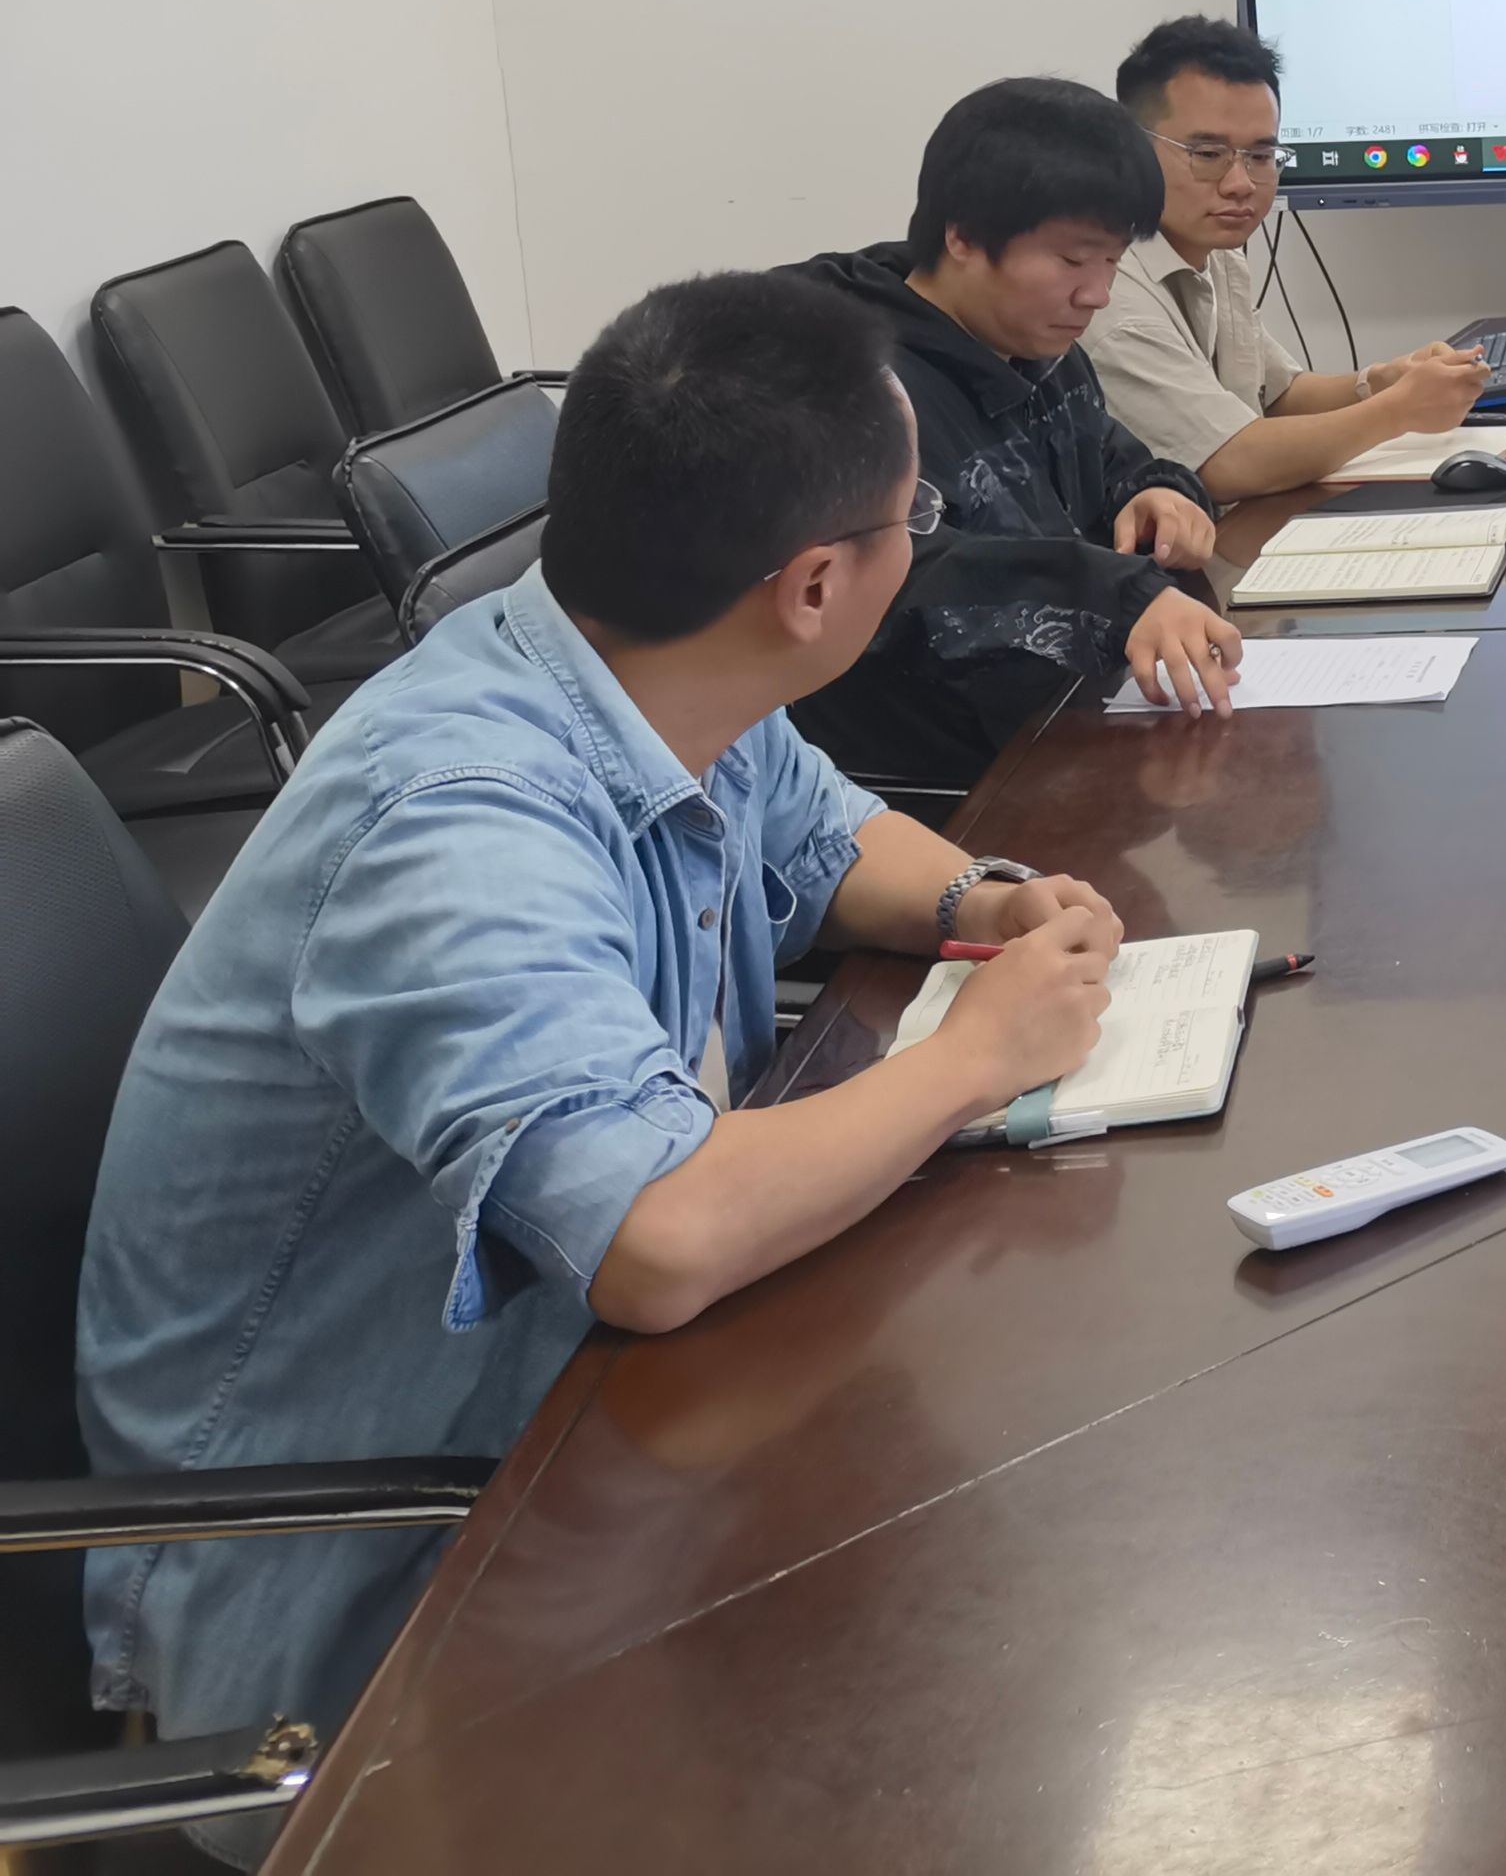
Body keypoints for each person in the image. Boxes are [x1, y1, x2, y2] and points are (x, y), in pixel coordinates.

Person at [78, 273, 1127, 1794]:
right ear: (813, 587)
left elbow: (823, 829)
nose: (922, 540)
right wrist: (975, 1058)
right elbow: (656, 1239)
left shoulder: (631, 660)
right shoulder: (458, 823)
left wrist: (985, 900)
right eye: (914, 517)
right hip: (367, 1595)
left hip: (582, 1427)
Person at [786, 77, 1243, 791]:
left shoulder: (1037, 342)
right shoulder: (845, 383)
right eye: (1072, 261)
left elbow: (1110, 457)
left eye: (1113, 261)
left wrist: (1159, 492)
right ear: (963, 236)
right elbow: (898, 576)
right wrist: (1111, 593)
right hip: (940, 788)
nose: (1096, 293)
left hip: (1073, 730)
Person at [1086, 14, 1498, 503]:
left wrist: (1383, 381)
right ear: (1133, 150)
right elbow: (1226, 463)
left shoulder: (1214, 253)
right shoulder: (1105, 292)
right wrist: (1399, 411)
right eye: (1208, 154)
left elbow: (1278, 394)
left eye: (1261, 157)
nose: (1240, 184)